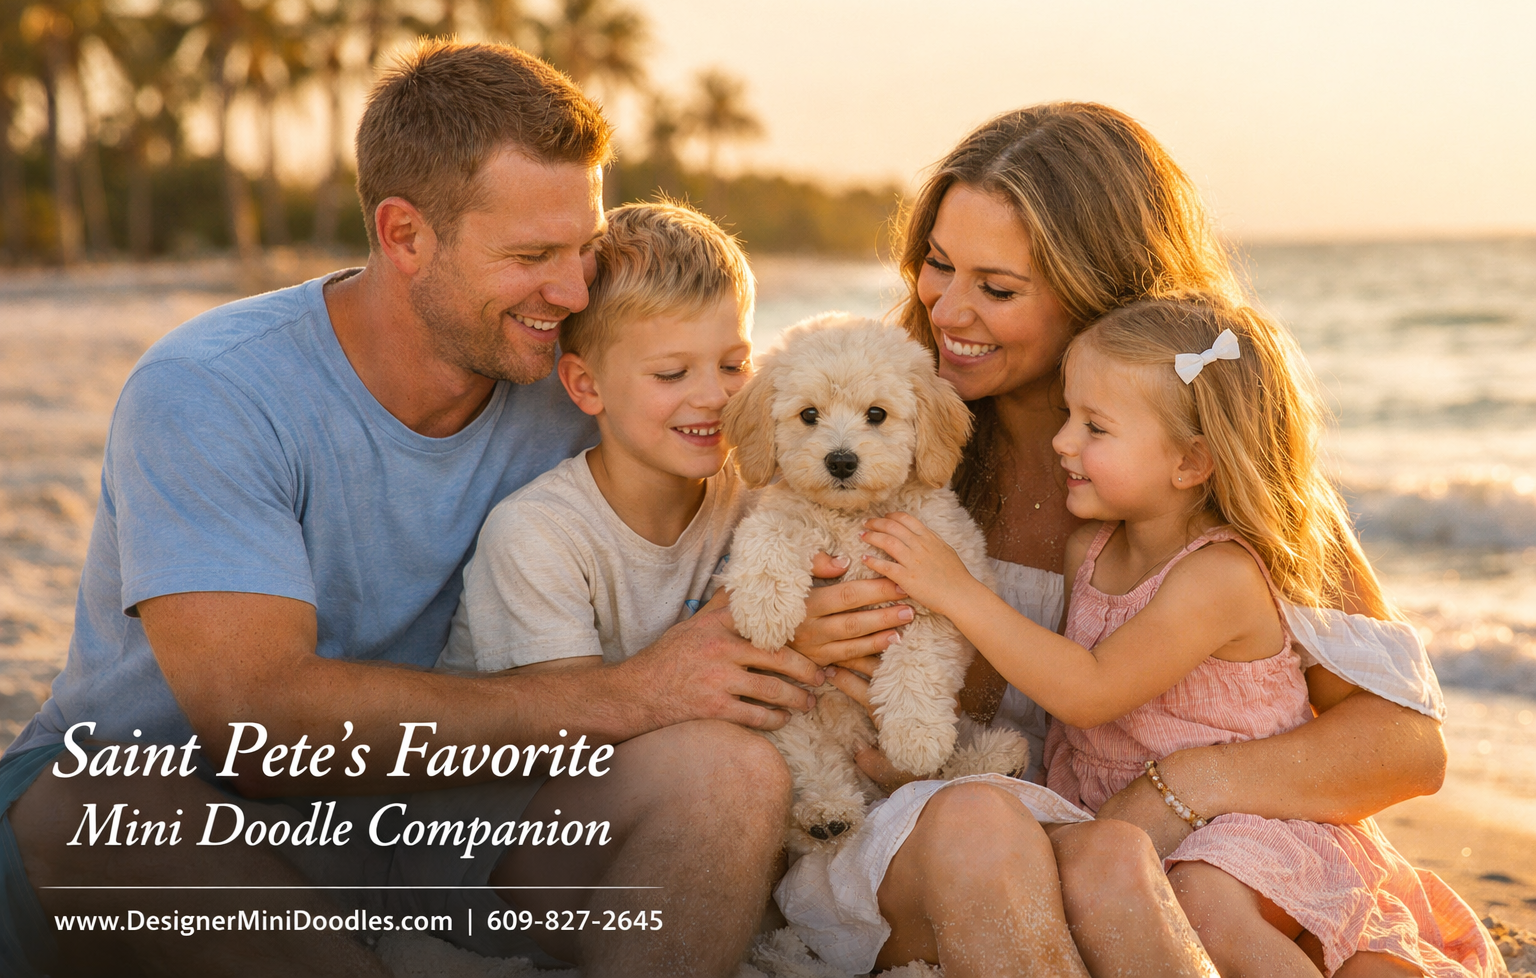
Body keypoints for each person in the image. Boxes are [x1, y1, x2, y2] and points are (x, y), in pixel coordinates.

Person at [0, 42, 913, 978]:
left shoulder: (570, 379)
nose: (571, 293)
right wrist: (631, 692)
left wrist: (830, 609)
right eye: (531, 256)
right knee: (96, 805)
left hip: (444, 816)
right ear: (404, 237)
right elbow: (255, 724)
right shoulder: (213, 391)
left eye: (583, 250)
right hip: (176, 819)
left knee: (728, 776)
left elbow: (776, 454)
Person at [775, 103, 1450, 978]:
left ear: (1099, 295)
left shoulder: (1202, 490)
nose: (946, 307)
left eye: (1000, 287)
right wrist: (807, 638)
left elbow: (1407, 745)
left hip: (1149, 857)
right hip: (942, 834)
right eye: (936, 264)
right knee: (990, 836)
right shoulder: (882, 435)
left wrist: (1181, 790)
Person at [858, 297, 1497, 977]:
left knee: (1207, 906)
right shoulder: (1092, 549)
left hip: (1248, 827)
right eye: (1068, 415)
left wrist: (956, 591)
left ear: (1192, 462)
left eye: (1094, 428)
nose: (1063, 442)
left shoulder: (1217, 575)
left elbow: (1088, 688)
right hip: (1125, 818)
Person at [438, 200, 754, 675]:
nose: (714, 396)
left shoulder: (760, 496)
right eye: (671, 373)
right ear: (587, 385)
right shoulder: (537, 536)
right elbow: (569, 730)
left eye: (733, 366)